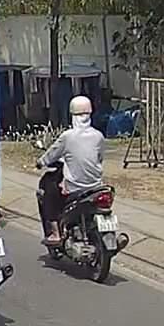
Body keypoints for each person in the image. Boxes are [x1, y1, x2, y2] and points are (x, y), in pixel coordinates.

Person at [36, 95, 105, 246]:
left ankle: (55, 233)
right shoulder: (98, 136)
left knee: (49, 189)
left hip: (75, 187)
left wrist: (40, 162)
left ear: (72, 115)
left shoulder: (67, 137)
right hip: (96, 186)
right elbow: (99, 158)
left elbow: (51, 155)